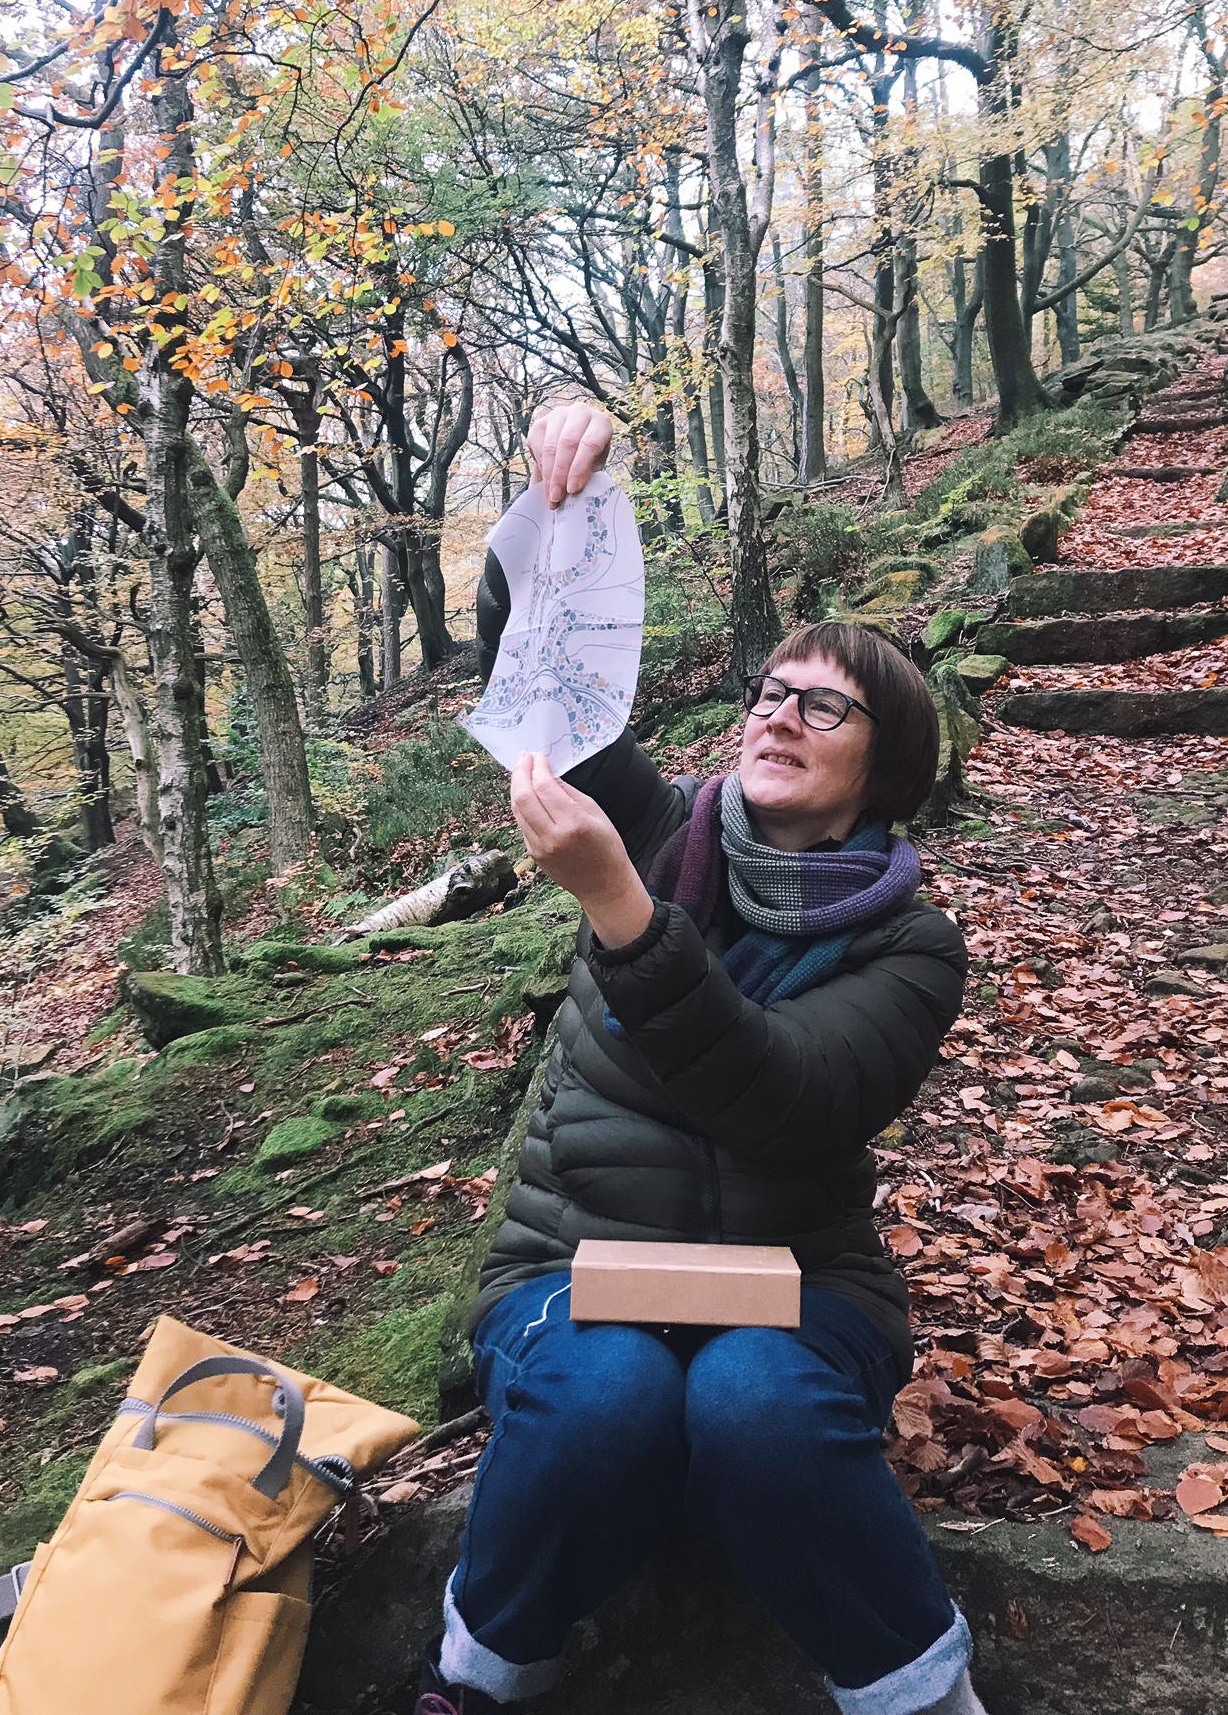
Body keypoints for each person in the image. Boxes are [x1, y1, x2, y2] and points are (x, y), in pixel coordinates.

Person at [415, 402, 984, 1715]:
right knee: (603, 1387)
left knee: (756, 1405)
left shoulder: (911, 946)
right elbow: (536, 682)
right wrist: (559, 516)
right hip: (570, 1263)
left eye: (822, 707)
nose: (779, 715)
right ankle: (480, 1677)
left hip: (803, 1287)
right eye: (771, 691)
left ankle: (920, 1698)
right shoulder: (666, 829)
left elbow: (786, 1098)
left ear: (881, 765)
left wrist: (622, 912)